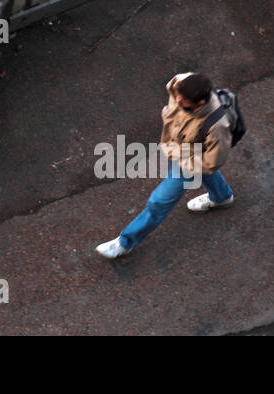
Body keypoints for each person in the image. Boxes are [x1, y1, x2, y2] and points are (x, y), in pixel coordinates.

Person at [96, 71, 235, 259]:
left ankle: (125, 242)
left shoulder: (217, 126)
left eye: (184, 100)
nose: (177, 100)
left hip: (191, 157)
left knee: (159, 201)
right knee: (205, 175)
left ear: (201, 103)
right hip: (182, 144)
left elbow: (212, 162)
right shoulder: (181, 83)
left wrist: (180, 157)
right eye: (178, 95)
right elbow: (173, 86)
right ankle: (222, 197)